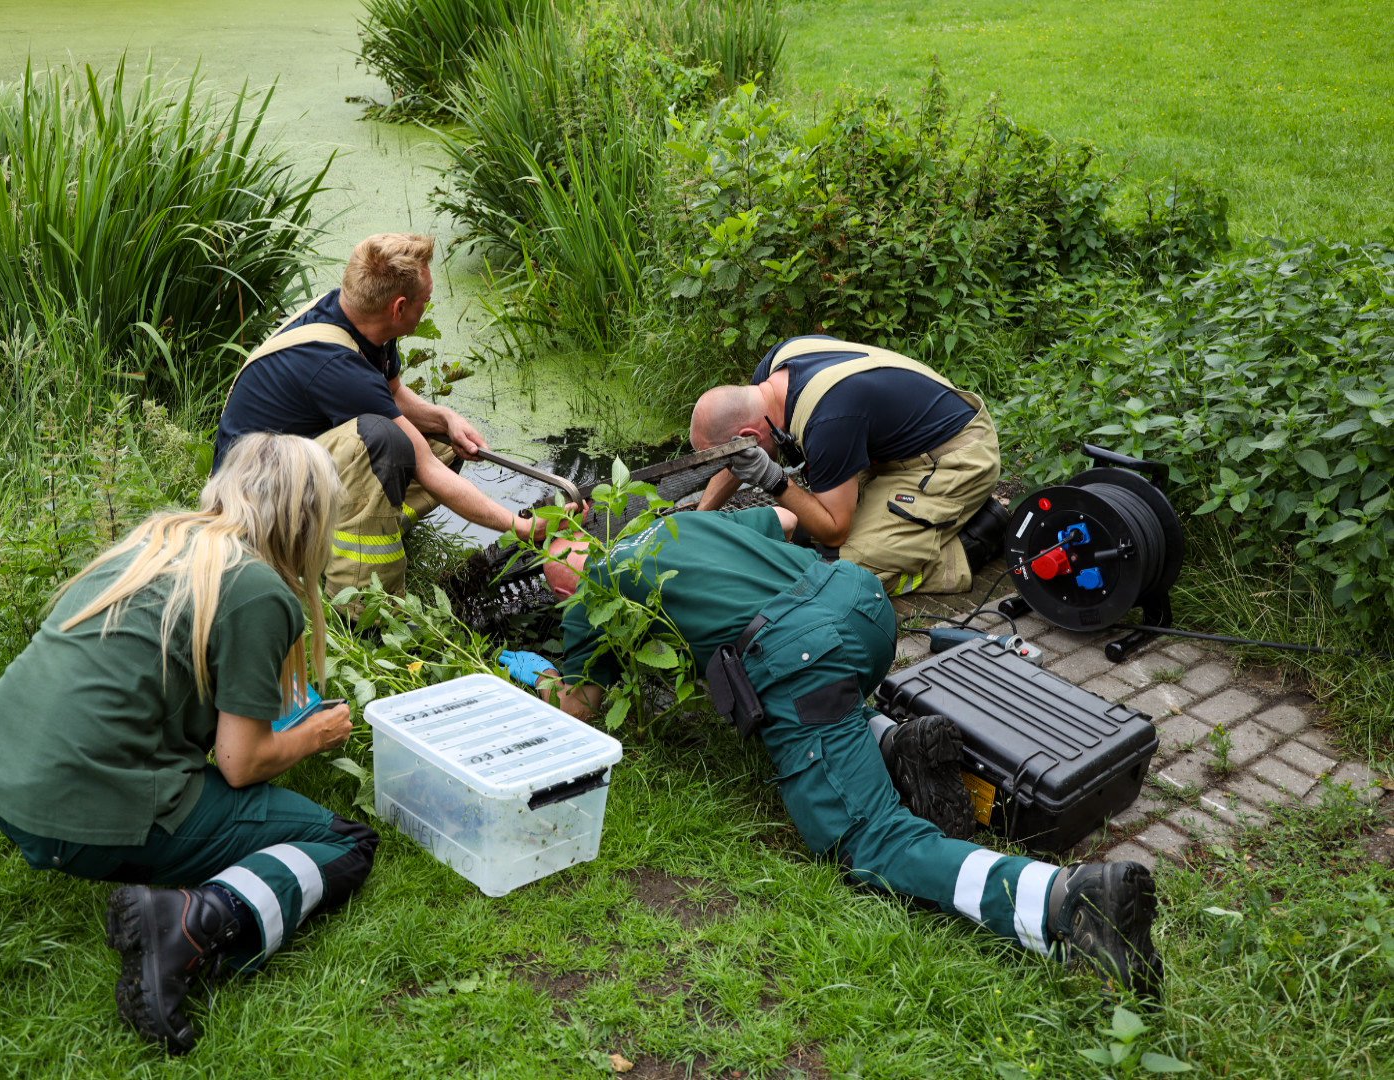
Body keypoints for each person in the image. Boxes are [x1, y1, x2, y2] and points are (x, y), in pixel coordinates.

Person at [499, 507, 1162, 997]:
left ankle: (1064, 902)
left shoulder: (594, 596)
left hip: (800, 649)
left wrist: (544, 679)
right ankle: (890, 743)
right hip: (861, 603)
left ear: (565, 588)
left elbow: (582, 713)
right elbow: (784, 516)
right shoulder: (674, 522)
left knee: (867, 838)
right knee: (826, 705)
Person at [0, 433, 379, 1055]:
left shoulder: (157, 540)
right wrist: (317, 733)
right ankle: (192, 921)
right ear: (307, 518)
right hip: (78, 811)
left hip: (3, 777)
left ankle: (168, 896)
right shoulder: (260, 590)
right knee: (344, 844)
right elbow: (240, 764)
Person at [215, 232, 552, 596]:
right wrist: (516, 526)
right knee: (381, 440)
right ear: (400, 307)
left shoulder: (363, 319)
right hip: (252, 508)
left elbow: (392, 393)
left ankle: (370, 528)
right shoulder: (337, 366)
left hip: (285, 465)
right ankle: (361, 604)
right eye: (426, 300)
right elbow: (426, 467)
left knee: (439, 441)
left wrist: (444, 419)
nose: (428, 305)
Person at [690, 336, 1010, 596]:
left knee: (840, 572)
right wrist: (697, 523)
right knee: (812, 529)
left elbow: (834, 532)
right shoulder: (771, 375)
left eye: (729, 457)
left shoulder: (828, 421)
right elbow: (738, 461)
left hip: (958, 458)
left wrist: (774, 480)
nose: (731, 466)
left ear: (747, 435)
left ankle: (973, 542)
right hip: (894, 455)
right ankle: (933, 523)